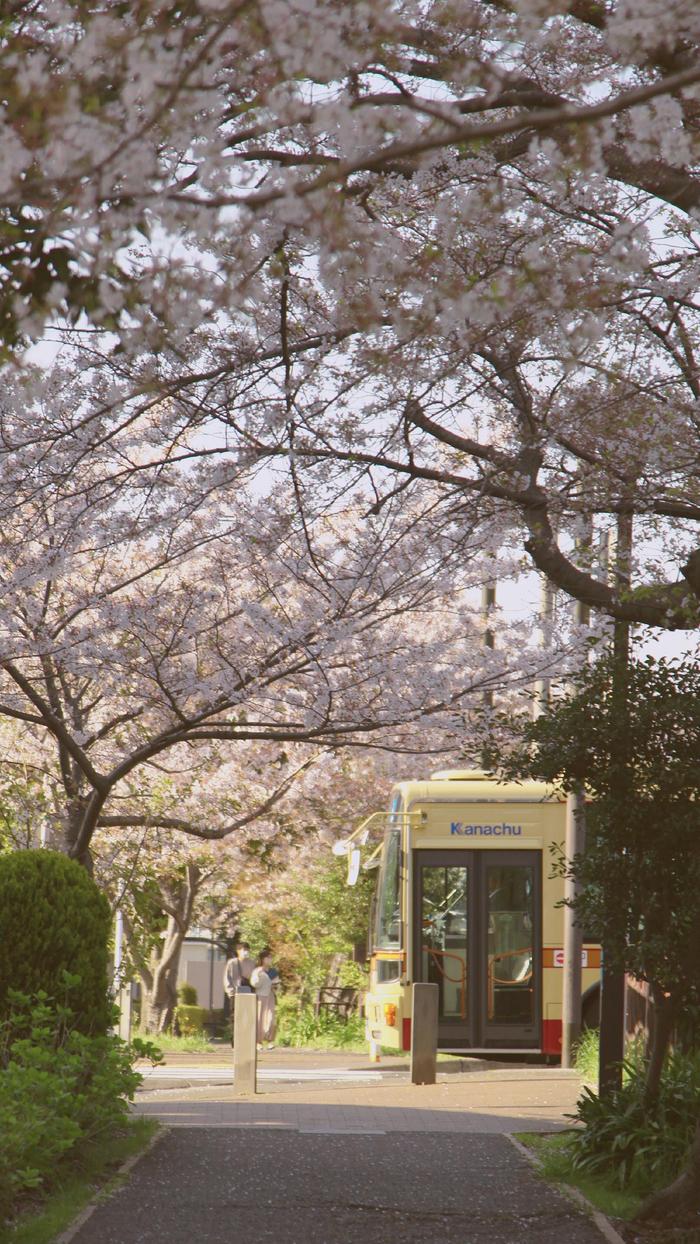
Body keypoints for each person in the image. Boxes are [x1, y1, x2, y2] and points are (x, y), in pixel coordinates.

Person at [223, 941, 256, 1042]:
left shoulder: (252, 963)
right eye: (243, 950)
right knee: (236, 1017)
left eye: (247, 950)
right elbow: (227, 978)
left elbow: (255, 978)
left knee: (249, 1017)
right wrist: (231, 992)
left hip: (249, 994)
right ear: (238, 951)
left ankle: (246, 1040)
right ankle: (235, 1040)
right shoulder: (232, 963)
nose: (246, 952)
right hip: (236, 994)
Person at [250, 948, 278, 1050]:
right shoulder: (257, 971)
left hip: (270, 996)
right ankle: (258, 1041)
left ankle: (270, 1040)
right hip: (260, 997)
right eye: (268, 957)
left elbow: (276, 984)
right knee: (259, 1019)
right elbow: (254, 984)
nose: (270, 960)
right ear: (262, 959)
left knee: (271, 1018)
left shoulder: (273, 971)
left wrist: (274, 987)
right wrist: (259, 975)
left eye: (271, 958)